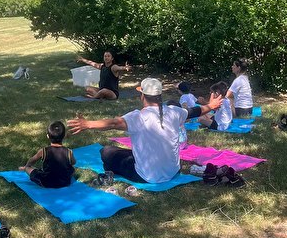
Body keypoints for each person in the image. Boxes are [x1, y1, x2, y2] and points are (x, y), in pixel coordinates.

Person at [68, 78, 222, 183]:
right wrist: (212, 106)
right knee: (126, 152)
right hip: (173, 171)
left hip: (146, 176)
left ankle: (109, 173)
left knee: (106, 151)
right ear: (160, 95)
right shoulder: (175, 111)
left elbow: (114, 123)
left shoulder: (138, 117)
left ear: (142, 96)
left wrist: (88, 124)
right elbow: (195, 111)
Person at [18, 121, 76, 188]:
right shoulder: (69, 152)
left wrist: (27, 165)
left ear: (48, 136)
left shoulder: (43, 151)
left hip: (46, 183)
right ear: (64, 136)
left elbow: (32, 160)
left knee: (29, 168)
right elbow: (73, 162)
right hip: (64, 183)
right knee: (71, 168)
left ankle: (25, 168)